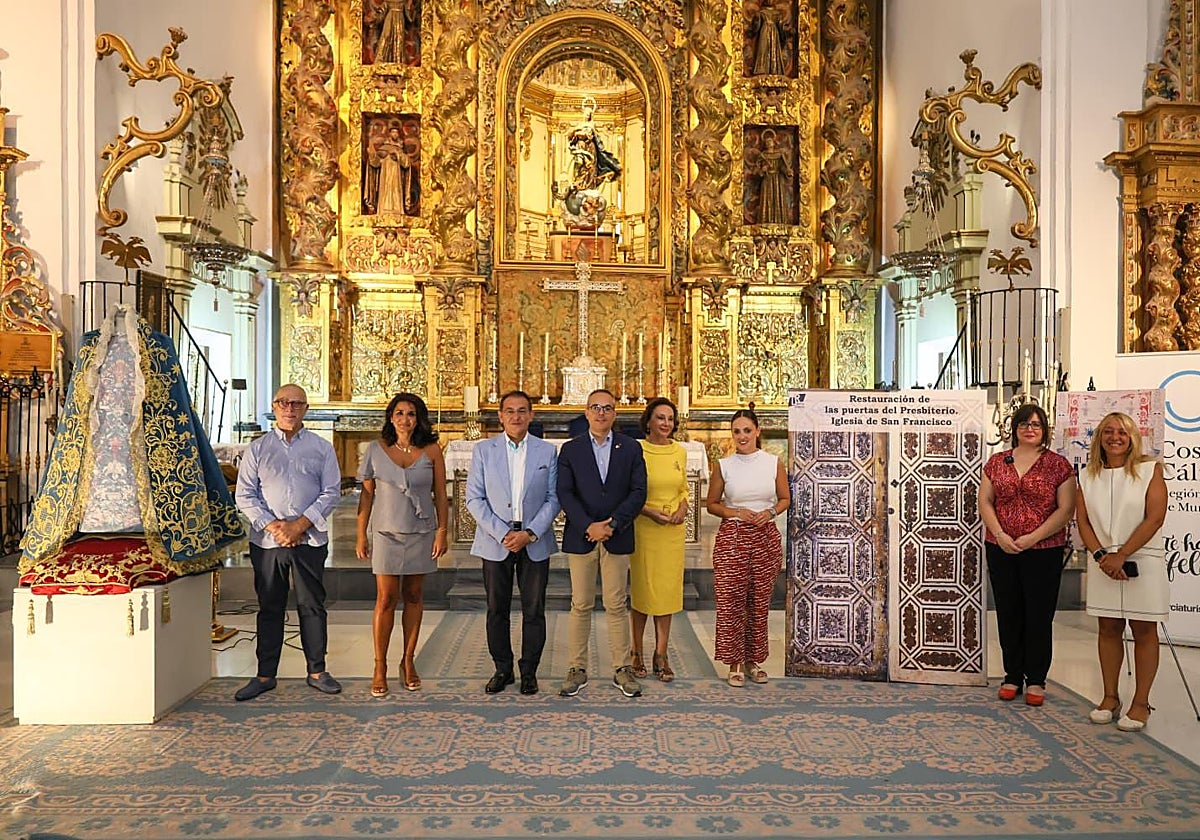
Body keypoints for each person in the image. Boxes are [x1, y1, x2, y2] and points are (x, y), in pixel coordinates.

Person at [234, 384, 343, 701]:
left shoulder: (321, 448)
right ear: (274, 406)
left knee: (312, 605)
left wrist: (299, 525)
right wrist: (274, 526)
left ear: (306, 409)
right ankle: (265, 675)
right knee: (270, 606)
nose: (290, 408)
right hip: (268, 542)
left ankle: (317, 671)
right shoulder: (258, 449)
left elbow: (331, 492)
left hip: (309, 539)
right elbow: (245, 495)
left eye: (297, 403)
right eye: (284, 402)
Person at [1076, 412, 1168, 731]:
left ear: (1132, 438)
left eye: (1123, 433)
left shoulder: (1149, 470)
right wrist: (1103, 555)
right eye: (1108, 432)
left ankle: (1141, 703)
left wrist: (1123, 554)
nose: (1115, 437)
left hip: (1143, 560)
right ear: (1099, 437)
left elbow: (1155, 518)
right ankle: (1110, 697)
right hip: (1104, 563)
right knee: (1108, 628)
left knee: (1144, 630)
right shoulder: (1087, 475)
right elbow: (1083, 521)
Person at [978, 403, 1076, 706]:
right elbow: (985, 501)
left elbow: (1066, 509)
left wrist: (1033, 536)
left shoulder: (1058, 465)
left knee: (1038, 615)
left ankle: (1035, 680)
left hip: (1044, 549)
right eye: (1024, 424)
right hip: (1001, 547)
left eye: (1036, 424)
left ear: (1045, 430)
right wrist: (1002, 535)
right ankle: (1011, 675)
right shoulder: (997, 462)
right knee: (1009, 612)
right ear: (1015, 429)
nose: (1030, 429)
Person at [465, 390, 560, 696]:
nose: (516, 416)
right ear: (501, 416)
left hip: (534, 539)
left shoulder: (547, 452)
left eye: (522, 411)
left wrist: (530, 532)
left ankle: (529, 671)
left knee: (534, 609)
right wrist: (502, 533)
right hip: (496, 541)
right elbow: (474, 498)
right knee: (497, 608)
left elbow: (553, 498)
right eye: (510, 411)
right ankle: (502, 668)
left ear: (531, 415)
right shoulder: (484, 451)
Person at [557, 388, 648, 698]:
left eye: (607, 408)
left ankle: (622, 668)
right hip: (582, 536)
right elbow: (565, 493)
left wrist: (612, 524)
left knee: (616, 604)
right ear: (586, 412)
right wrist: (589, 525)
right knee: (580, 604)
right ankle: (576, 668)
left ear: (615, 413)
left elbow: (638, 492)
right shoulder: (571, 449)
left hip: (616, 534)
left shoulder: (631, 448)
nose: (601, 413)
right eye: (595, 407)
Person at [356, 392, 448, 696]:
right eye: (399, 413)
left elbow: (439, 495)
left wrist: (442, 531)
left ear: (418, 418)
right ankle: (379, 665)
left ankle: (408, 661)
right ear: (390, 417)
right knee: (386, 598)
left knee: (414, 594)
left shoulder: (432, 450)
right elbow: (366, 495)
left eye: (410, 413)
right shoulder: (375, 449)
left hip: (421, 531)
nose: (404, 419)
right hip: (385, 532)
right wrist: (361, 534)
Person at [705, 408, 789, 687]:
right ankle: (734, 662)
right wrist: (736, 513)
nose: (742, 436)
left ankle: (754, 661)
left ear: (757, 432)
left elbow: (785, 498)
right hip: (733, 538)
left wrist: (771, 512)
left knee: (759, 603)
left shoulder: (772, 462)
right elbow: (713, 503)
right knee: (732, 602)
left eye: (747, 430)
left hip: (765, 537)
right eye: (737, 431)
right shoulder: (724, 465)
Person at [629, 397, 689, 683]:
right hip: (645, 528)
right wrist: (648, 511)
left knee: (666, 594)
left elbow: (684, 489)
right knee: (643, 592)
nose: (666, 423)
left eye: (670, 418)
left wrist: (682, 508)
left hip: (671, 532)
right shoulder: (636, 449)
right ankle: (637, 651)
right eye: (660, 418)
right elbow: (629, 490)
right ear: (648, 421)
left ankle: (661, 654)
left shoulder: (680, 451)